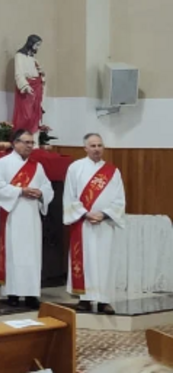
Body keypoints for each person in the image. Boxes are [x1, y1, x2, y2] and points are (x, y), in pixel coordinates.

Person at [0, 129, 53, 309]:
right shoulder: (3, 164)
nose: (29, 146)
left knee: (32, 255)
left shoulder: (37, 166)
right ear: (15, 143)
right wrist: (20, 191)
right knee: (13, 254)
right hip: (13, 215)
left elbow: (48, 188)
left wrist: (41, 193)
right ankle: (13, 292)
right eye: (26, 142)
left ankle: (32, 293)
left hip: (32, 216)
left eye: (31, 143)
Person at [63, 133, 125, 315]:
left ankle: (104, 300)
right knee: (85, 259)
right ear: (85, 148)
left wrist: (104, 214)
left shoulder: (113, 172)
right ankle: (85, 298)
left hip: (105, 225)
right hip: (83, 224)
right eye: (93, 145)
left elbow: (119, 200)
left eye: (100, 145)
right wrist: (85, 213)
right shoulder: (75, 168)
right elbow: (69, 196)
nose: (97, 149)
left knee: (105, 261)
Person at [12, 34, 45, 143]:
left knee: (35, 115)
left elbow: (39, 73)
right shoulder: (19, 56)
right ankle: (22, 140)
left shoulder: (34, 59)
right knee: (25, 115)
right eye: (37, 45)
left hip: (36, 88)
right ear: (31, 43)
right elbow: (19, 73)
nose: (38, 48)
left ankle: (34, 142)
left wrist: (41, 75)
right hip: (27, 89)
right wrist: (25, 86)